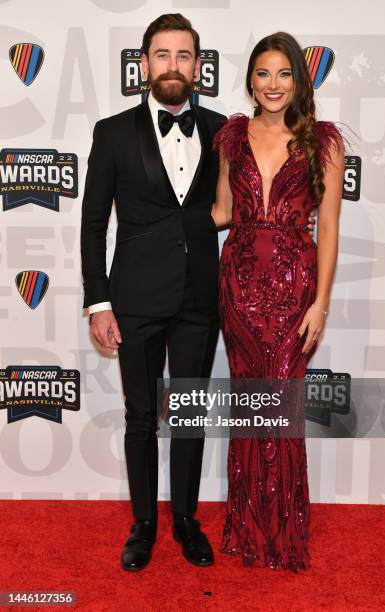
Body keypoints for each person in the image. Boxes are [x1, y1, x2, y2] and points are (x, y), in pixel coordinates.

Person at [81, 13, 227, 571]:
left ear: (198, 66)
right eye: (162, 55)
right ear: (144, 64)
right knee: (140, 417)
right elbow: (94, 224)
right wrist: (99, 302)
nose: (173, 66)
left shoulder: (222, 130)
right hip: (135, 298)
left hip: (198, 299)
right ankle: (142, 524)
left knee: (188, 415)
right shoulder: (112, 132)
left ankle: (186, 520)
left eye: (184, 56)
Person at [212, 32, 344, 571]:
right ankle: (248, 527)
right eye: (264, 73)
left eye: (284, 74)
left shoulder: (322, 142)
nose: (273, 84)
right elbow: (221, 211)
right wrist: (155, 221)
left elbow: (330, 227)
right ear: (250, 79)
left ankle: (285, 531)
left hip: (296, 289)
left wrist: (322, 304)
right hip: (239, 285)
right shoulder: (231, 138)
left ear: (298, 81)